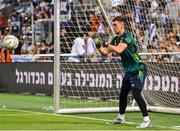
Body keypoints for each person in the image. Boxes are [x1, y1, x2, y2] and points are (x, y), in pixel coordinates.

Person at [95, 16, 152, 128]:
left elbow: (119, 49)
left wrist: (106, 44)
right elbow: (106, 53)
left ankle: (147, 120)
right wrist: (98, 45)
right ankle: (121, 117)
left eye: (115, 24)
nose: (113, 27)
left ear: (122, 25)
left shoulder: (127, 37)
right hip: (129, 71)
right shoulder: (116, 39)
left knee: (136, 93)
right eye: (113, 24)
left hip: (138, 68)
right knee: (122, 95)